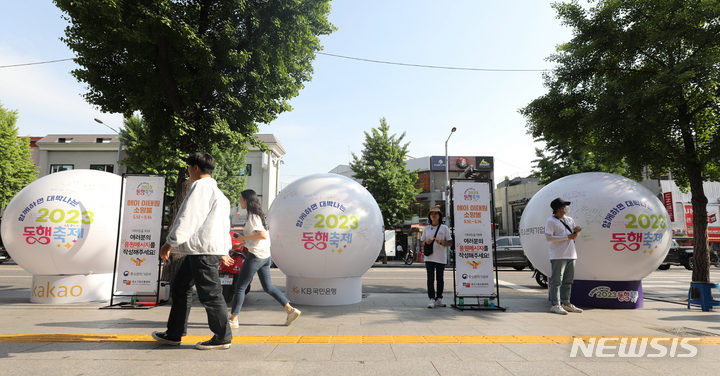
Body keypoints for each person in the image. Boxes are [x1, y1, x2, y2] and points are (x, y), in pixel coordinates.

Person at [152, 152, 233, 350]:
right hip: (202, 250)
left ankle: (222, 337)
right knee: (180, 287)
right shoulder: (220, 194)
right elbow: (224, 225)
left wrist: (169, 243)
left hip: (202, 251)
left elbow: (189, 217)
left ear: (195, 167)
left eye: (189, 167)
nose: (188, 171)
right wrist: (224, 249)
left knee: (211, 294)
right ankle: (174, 334)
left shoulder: (200, 187)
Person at [223, 189, 301, 327]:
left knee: (240, 287)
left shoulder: (253, 217)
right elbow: (257, 237)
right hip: (265, 256)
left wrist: (243, 237)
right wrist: (239, 244)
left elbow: (262, 235)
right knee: (268, 287)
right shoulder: (259, 216)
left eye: (241, 199)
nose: (240, 201)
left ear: (246, 200)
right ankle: (290, 310)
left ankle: (233, 320)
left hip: (256, 256)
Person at [545, 197, 584, 315]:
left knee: (568, 281)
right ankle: (555, 304)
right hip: (558, 255)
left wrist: (576, 232)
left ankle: (566, 303)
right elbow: (549, 238)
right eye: (563, 206)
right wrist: (568, 237)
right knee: (557, 281)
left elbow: (573, 236)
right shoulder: (551, 221)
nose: (566, 208)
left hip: (571, 254)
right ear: (558, 208)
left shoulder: (570, 220)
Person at [422, 206, 451, 308]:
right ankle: (431, 298)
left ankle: (439, 298)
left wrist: (442, 242)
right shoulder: (426, 228)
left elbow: (450, 242)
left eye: (436, 213)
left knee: (440, 279)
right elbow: (422, 242)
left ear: (439, 216)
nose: (433, 215)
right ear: (429, 216)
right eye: (431, 213)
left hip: (441, 257)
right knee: (430, 279)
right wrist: (426, 242)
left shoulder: (444, 228)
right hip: (429, 257)